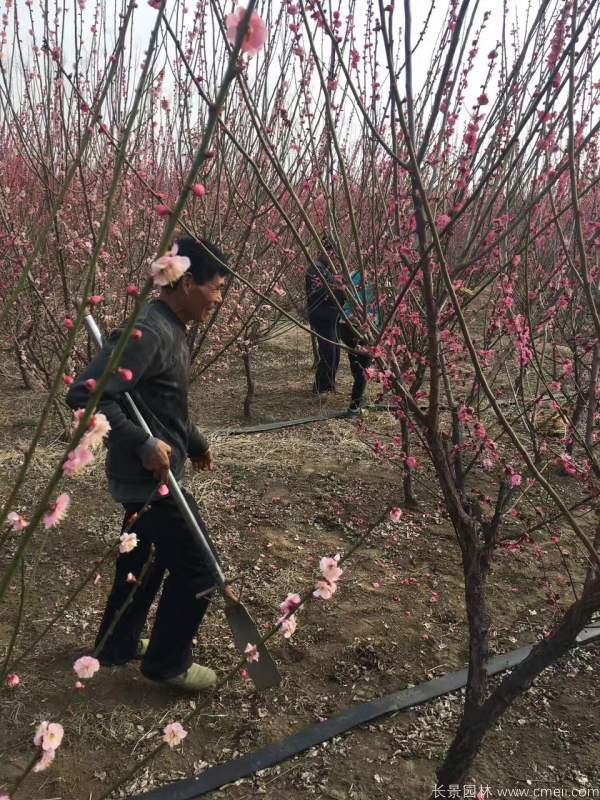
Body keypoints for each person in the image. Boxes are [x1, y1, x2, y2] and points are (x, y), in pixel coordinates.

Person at [66, 236, 231, 692]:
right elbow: (86, 392)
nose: (218, 301)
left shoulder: (172, 327)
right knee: (201, 568)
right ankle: (167, 663)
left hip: (156, 471)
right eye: (216, 288)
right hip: (146, 478)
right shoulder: (150, 330)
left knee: (145, 557)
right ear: (188, 281)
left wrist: (193, 441)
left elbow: (160, 401)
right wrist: (142, 443)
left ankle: (116, 644)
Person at [305, 236, 345, 394]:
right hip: (321, 317)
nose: (334, 257)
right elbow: (322, 292)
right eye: (331, 253)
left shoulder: (327, 269)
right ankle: (320, 387)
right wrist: (339, 289)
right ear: (324, 252)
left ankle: (329, 384)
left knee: (335, 352)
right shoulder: (315, 269)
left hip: (331, 317)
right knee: (328, 353)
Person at [337, 270, 374, 414]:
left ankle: (357, 393)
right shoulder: (381, 281)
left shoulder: (352, 274)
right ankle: (354, 406)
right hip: (362, 328)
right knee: (364, 368)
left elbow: (339, 296)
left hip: (344, 325)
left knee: (355, 358)